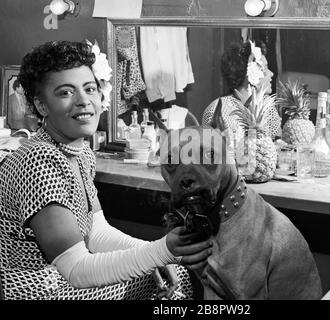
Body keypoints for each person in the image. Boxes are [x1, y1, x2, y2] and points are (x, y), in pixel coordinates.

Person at [0, 41, 212, 300]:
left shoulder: (81, 154)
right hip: (40, 291)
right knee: (176, 287)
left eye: (90, 89)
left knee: (173, 276)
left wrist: (155, 254)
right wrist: (161, 252)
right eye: (65, 92)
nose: (83, 101)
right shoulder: (37, 159)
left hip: (62, 282)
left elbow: (96, 234)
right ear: (42, 106)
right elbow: (76, 270)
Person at [202, 41, 281, 140]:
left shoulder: (268, 108)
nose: (271, 73)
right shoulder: (217, 112)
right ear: (250, 74)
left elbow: (280, 146)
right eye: (264, 68)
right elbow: (212, 152)